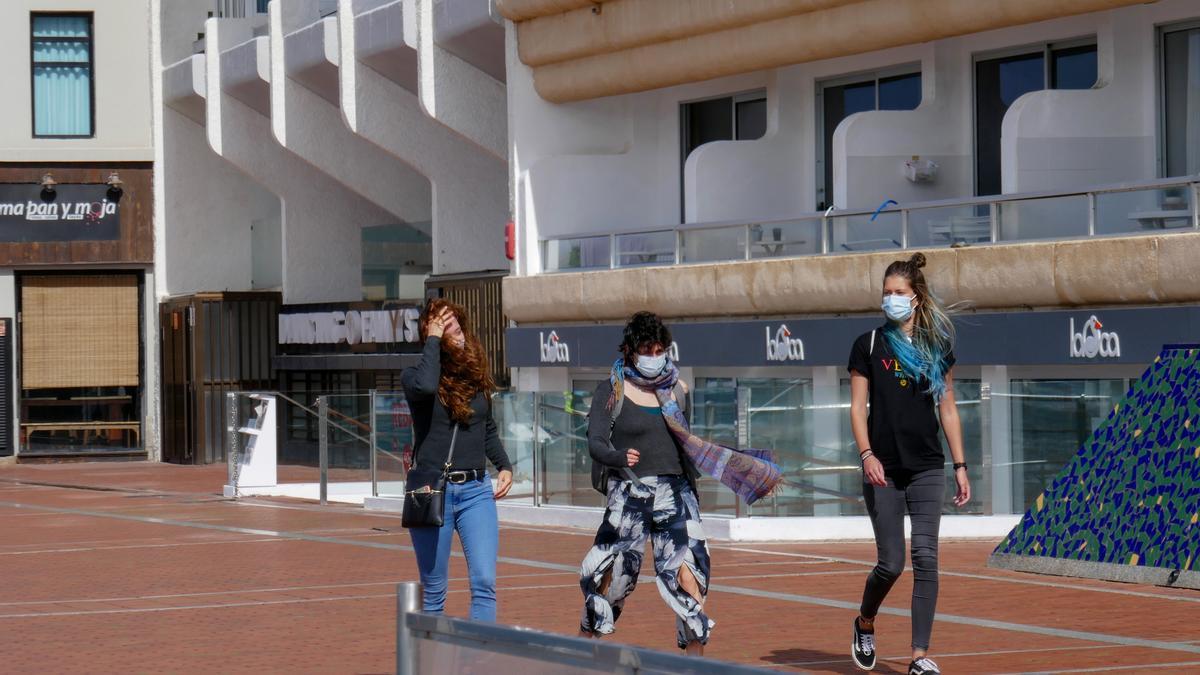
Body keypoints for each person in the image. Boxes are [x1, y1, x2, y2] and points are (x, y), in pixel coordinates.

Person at [578, 311, 783, 655]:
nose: (655, 356)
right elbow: (595, 441)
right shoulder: (610, 391)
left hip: (677, 492)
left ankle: (695, 663)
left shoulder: (677, 389)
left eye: (661, 349)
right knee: (612, 578)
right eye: (647, 348)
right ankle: (583, 648)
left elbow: (684, 441)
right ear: (630, 350)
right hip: (629, 493)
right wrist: (617, 457)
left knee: (688, 575)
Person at [846, 253, 971, 675]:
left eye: (898, 293)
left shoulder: (937, 347)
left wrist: (960, 464)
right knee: (891, 563)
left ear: (916, 298)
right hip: (882, 468)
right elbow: (857, 408)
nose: (891, 300)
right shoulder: (868, 344)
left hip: (927, 467)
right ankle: (865, 621)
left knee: (927, 557)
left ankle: (919, 656)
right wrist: (866, 455)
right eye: (886, 293)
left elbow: (948, 409)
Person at [402, 299, 513, 622]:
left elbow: (486, 427)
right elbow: (425, 385)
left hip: (476, 490)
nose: (456, 331)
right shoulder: (413, 378)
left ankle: (478, 661)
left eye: (456, 324)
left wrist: (503, 465)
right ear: (430, 338)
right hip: (432, 492)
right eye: (444, 326)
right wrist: (435, 339)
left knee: (484, 582)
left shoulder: (474, 377)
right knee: (434, 591)